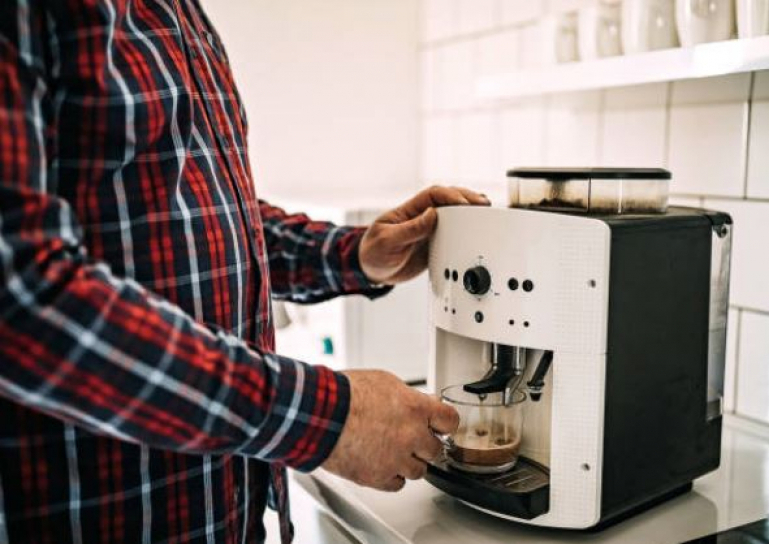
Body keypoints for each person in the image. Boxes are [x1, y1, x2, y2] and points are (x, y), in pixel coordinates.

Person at [0, 2, 489, 543]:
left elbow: (201, 215)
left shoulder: (180, 13)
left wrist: (352, 255)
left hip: (225, 517)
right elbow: (21, 299)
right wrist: (320, 417)